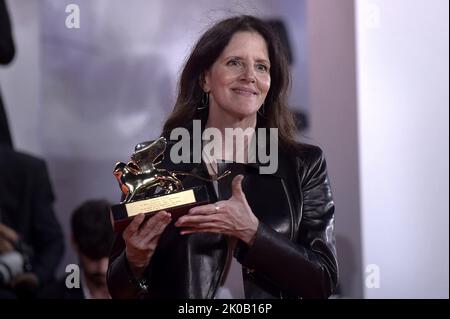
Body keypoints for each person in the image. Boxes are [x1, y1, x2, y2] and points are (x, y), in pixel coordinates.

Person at [107, 15, 338, 299]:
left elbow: (323, 281)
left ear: (270, 83)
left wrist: (253, 233)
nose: (249, 75)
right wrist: (135, 261)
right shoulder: (157, 162)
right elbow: (118, 290)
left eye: (261, 67)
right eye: (235, 62)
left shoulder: (303, 163)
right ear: (205, 78)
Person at [40, 200, 114, 299]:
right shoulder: (50, 296)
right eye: (92, 256)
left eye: (110, 255)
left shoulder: (140, 292)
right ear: (74, 242)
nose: (102, 268)